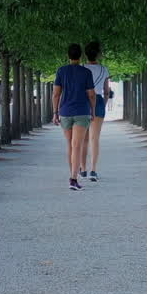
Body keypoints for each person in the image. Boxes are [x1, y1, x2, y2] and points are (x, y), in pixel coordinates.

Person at [52, 43, 96, 191]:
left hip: (65, 112)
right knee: (76, 145)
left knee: (70, 145)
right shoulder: (86, 72)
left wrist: (55, 112)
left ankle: (72, 176)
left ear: (68, 55)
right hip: (82, 112)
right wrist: (93, 110)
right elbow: (91, 94)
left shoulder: (61, 71)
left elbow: (56, 94)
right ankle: (73, 179)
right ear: (81, 56)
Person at [81, 40, 111, 182]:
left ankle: (82, 168)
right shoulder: (104, 69)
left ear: (85, 54)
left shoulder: (81, 68)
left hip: (83, 101)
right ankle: (93, 170)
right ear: (98, 54)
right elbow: (106, 91)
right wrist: (103, 104)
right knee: (95, 138)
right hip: (98, 100)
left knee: (83, 139)